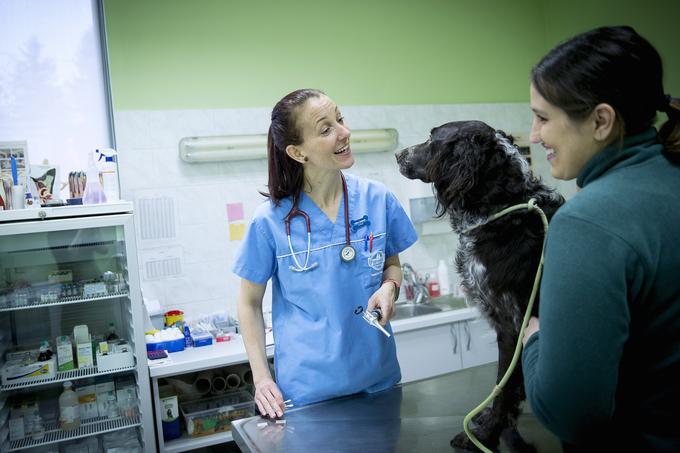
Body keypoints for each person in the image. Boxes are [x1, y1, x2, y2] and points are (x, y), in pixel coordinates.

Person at [521, 26, 680, 451]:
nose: (535, 135)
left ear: (601, 120)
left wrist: (534, 340)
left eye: (542, 118)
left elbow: (571, 416)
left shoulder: (586, 223)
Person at [233, 89, 417, 419]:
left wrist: (390, 287)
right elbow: (248, 303)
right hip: (310, 393)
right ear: (297, 152)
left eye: (340, 119)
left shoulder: (377, 199)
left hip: (378, 382)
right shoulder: (270, 222)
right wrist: (261, 379)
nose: (344, 132)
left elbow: (392, 265)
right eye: (326, 129)